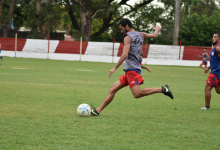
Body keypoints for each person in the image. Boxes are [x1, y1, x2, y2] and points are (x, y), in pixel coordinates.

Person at [91, 18, 173, 116]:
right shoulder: (141, 34)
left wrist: (114, 68)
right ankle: (97, 111)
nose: (121, 31)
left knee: (137, 94)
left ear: (126, 26)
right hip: (130, 70)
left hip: (132, 70)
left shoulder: (127, 37)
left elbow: (125, 54)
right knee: (112, 89)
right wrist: (157, 29)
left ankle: (162, 89)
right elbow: (154, 36)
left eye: (122, 29)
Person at [202, 32, 220, 110]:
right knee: (218, 91)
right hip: (216, 72)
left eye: (215, 37)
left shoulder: (218, 48)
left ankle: (207, 107)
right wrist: (208, 68)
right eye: (213, 36)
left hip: (215, 73)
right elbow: (215, 61)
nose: (213, 38)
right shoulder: (214, 48)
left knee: (207, 88)